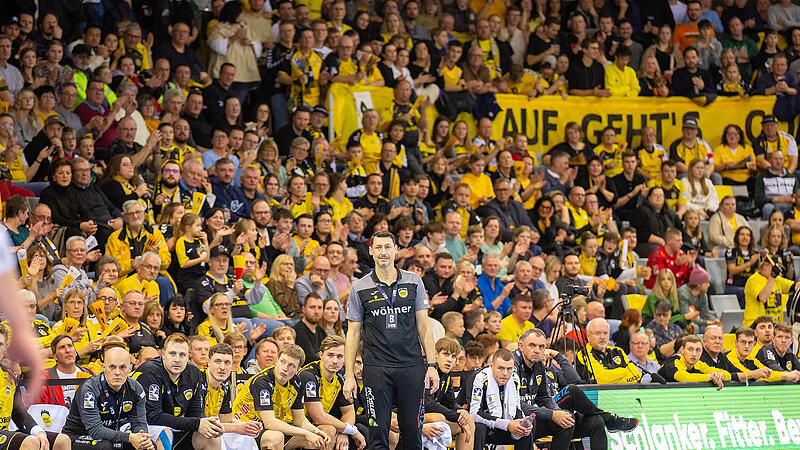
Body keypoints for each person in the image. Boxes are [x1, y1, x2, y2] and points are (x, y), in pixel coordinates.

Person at [343, 230, 438, 450]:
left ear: (396, 250)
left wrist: (432, 365)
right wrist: (349, 375)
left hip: (412, 366)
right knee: (379, 434)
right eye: (378, 247)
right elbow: (353, 334)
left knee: (413, 434)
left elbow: (424, 327)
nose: (383, 252)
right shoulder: (359, 287)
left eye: (387, 247)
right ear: (371, 251)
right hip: (377, 369)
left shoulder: (414, 281)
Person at [515, 329, 637, 449]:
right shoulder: (512, 366)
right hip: (524, 420)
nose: (537, 350)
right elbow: (517, 405)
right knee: (571, 392)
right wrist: (553, 414)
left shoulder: (540, 366)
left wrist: (558, 413)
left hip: (545, 413)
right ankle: (609, 419)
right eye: (532, 345)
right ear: (521, 346)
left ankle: (605, 419)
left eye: (541, 347)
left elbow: (554, 392)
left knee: (592, 420)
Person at [133, 333, 223, 450]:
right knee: (165, 433)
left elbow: (195, 412)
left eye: (182, 355)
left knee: (210, 435)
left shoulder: (194, 373)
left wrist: (206, 424)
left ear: (189, 356)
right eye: (172, 354)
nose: (177, 359)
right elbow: (152, 416)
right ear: (163, 354)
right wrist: (196, 423)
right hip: (140, 426)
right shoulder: (149, 372)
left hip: (173, 424)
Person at [233, 343, 330, 450]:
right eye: (282, 362)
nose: (285, 368)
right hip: (245, 428)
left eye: (291, 365)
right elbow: (270, 422)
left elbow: (300, 420)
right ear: (277, 361)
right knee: (276, 438)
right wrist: (306, 433)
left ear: (298, 369)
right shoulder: (262, 381)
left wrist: (315, 431)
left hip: (269, 429)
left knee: (320, 440)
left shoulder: (297, 383)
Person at [62, 346, 156, 450]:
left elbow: (139, 423)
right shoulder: (89, 389)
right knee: (105, 447)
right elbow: (95, 430)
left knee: (148, 445)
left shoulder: (136, 389)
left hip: (111, 435)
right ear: (103, 367)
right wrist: (129, 437)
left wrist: (142, 439)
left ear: (130, 368)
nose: (117, 372)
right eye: (112, 367)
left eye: (122, 367)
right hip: (78, 436)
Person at [460, 348, 542, 449]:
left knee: (526, 430)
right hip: (482, 428)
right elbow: (474, 414)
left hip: (502, 426)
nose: (505, 373)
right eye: (501, 368)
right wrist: (507, 424)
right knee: (479, 427)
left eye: (509, 369)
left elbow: (517, 408)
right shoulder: (479, 378)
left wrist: (521, 422)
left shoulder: (514, 379)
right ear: (492, 365)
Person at [297, 336, 367, 449]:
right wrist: (351, 430)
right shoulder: (308, 375)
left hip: (314, 425)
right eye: (330, 355)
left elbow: (349, 413)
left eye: (340, 356)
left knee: (356, 432)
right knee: (328, 430)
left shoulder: (340, 379)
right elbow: (318, 417)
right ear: (321, 355)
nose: (335, 361)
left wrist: (344, 432)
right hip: (294, 423)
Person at [575, 318, 642, 384]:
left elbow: (637, 376)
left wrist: (610, 376)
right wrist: (625, 372)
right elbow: (602, 380)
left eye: (605, 333)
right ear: (588, 336)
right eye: (598, 333)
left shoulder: (618, 351)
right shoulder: (583, 355)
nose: (602, 337)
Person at [724, 326, 800, 382]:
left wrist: (789, 375)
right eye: (743, 342)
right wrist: (787, 375)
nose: (746, 346)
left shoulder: (751, 359)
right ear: (736, 343)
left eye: (750, 342)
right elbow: (747, 374)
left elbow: (768, 373)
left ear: (754, 344)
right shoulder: (729, 357)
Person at [744, 254, 800, 326]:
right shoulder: (754, 280)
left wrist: (773, 277)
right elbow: (763, 297)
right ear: (765, 266)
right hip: (756, 325)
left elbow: (795, 286)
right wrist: (772, 276)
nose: (777, 271)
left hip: (774, 326)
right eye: (775, 268)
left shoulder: (777, 279)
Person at [38, 334, 93, 408]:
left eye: (70, 346)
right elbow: (41, 411)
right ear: (54, 356)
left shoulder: (89, 374)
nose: (68, 350)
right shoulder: (44, 380)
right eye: (62, 347)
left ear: (75, 352)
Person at [657, 335, 729, 389]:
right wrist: (711, 377)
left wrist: (720, 376)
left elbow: (727, 374)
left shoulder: (699, 364)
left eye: (698, 350)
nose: (694, 354)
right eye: (690, 349)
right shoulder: (672, 362)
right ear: (682, 350)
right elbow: (685, 378)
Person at [293, 293, 327, 364]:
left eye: (320, 308)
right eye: (312, 307)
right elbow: (310, 359)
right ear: (303, 309)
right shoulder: (299, 331)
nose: (316, 311)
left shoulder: (321, 331)